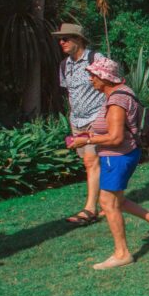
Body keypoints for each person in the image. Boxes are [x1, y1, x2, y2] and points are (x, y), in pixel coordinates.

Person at [69, 59, 149, 269]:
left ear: (105, 77)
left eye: (93, 75)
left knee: (108, 203)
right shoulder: (120, 92)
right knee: (115, 201)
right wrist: (92, 133)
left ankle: (122, 253)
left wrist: (87, 140)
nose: (91, 79)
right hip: (119, 155)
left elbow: (116, 137)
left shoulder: (117, 100)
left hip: (116, 156)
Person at [53, 23, 106, 227]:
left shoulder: (96, 59)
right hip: (77, 121)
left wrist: (106, 117)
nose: (62, 42)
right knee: (91, 162)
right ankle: (108, 201)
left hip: (96, 118)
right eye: (61, 39)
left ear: (79, 40)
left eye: (66, 38)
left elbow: (111, 84)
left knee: (91, 162)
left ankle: (90, 209)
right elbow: (70, 93)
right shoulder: (64, 65)